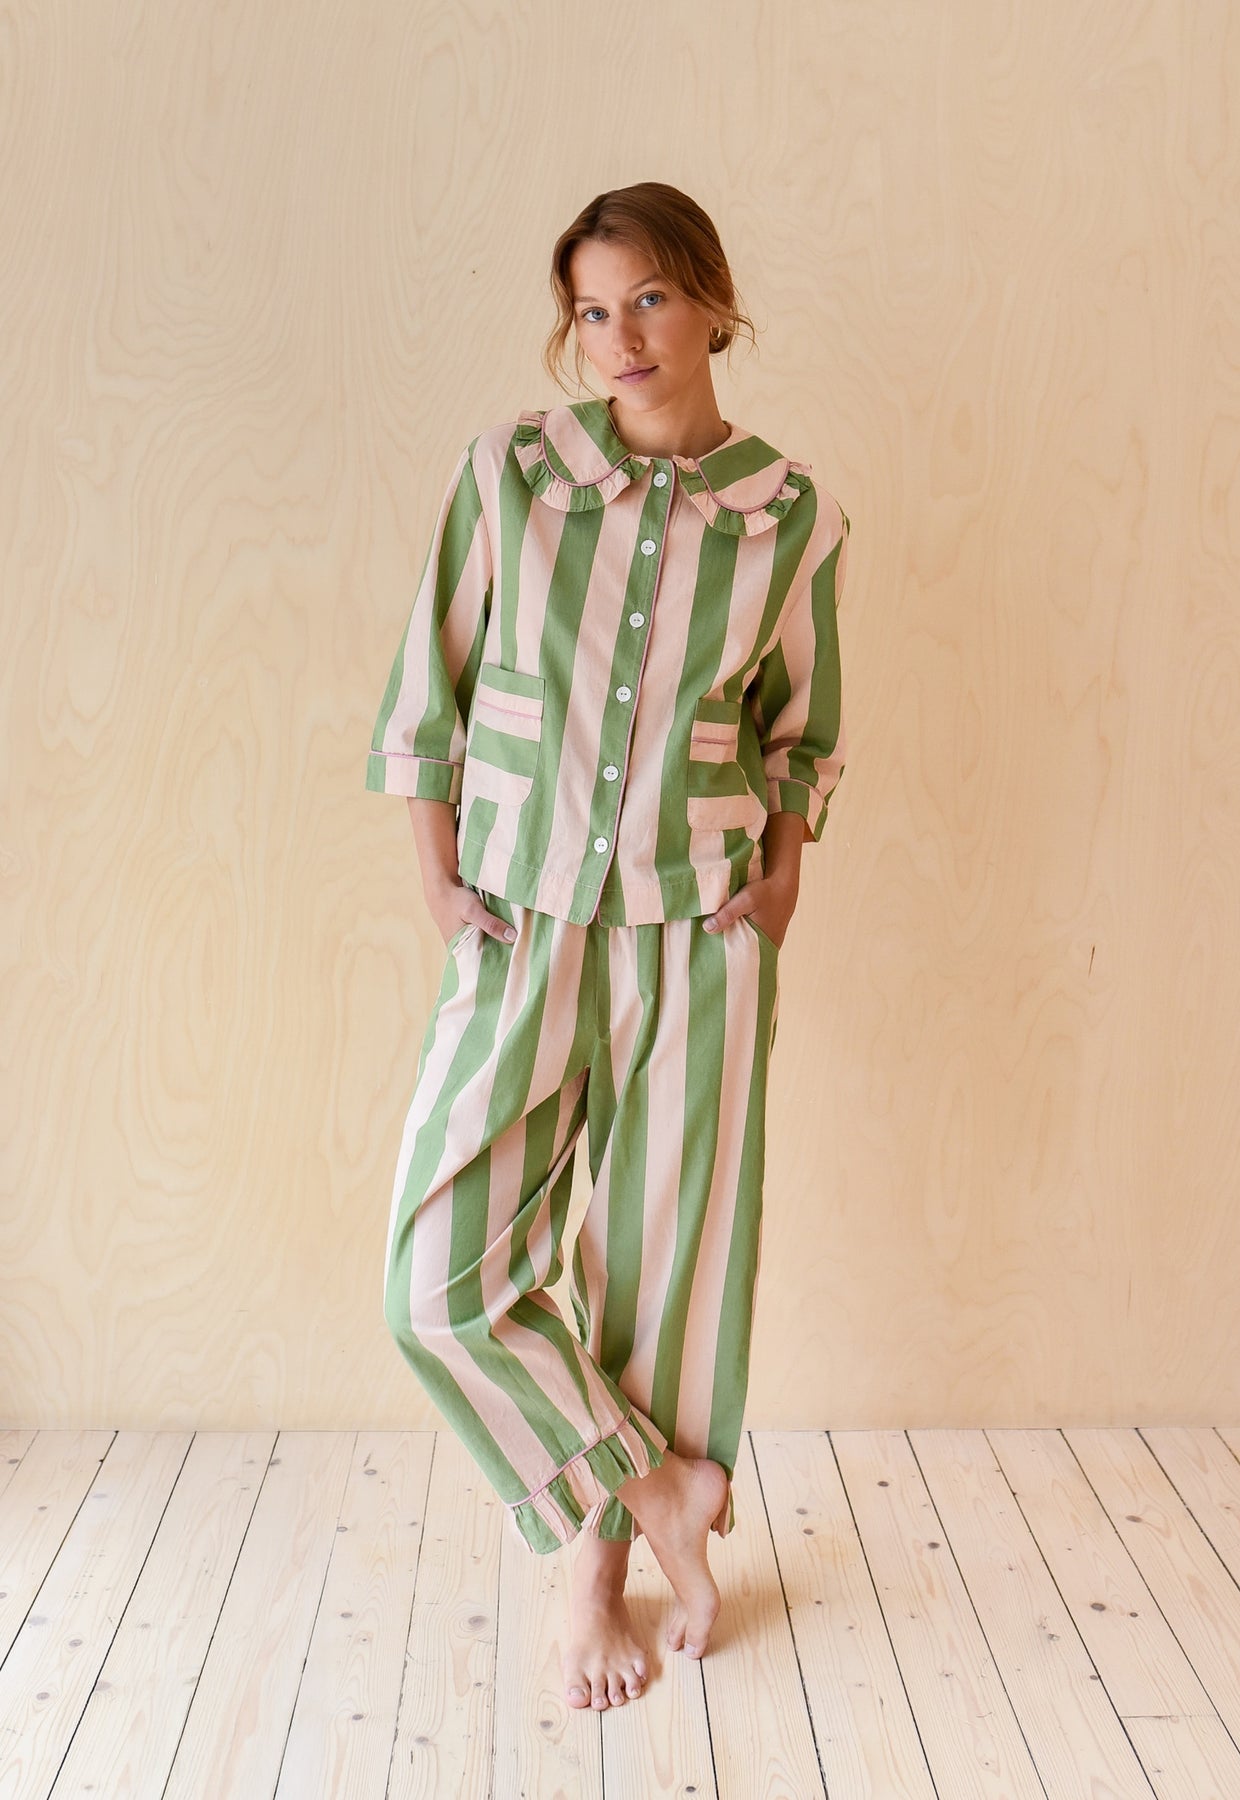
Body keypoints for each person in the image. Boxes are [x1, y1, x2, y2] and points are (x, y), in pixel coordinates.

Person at [365, 181, 849, 1714]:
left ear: (710, 299)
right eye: (591, 309)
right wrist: (439, 882)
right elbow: (431, 684)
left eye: (648, 298)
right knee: (438, 1282)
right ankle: (658, 1487)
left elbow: (803, 730)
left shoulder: (790, 516)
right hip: (521, 925)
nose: (621, 336)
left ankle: (598, 1577)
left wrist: (780, 880)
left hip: (696, 937)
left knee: (667, 1272)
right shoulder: (511, 475)